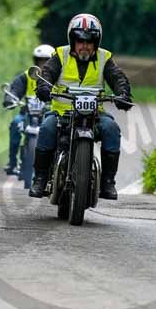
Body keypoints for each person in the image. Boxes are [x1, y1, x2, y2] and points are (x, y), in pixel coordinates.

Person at [29, 13, 133, 200]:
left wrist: (123, 94)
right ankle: (40, 178)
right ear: (72, 40)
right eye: (80, 41)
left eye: (89, 41)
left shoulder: (104, 58)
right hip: (63, 113)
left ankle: (108, 182)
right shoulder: (60, 55)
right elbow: (48, 73)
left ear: (96, 42)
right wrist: (43, 87)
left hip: (94, 114)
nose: (84, 45)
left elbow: (117, 78)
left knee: (111, 129)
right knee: (46, 128)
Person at [2, 44, 55, 175]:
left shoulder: (57, 77)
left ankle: (55, 164)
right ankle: (12, 163)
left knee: (57, 130)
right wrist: (10, 98)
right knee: (15, 124)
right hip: (27, 114)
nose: (43, 64)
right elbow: (15, 89)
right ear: (35, 61)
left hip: (48, 114)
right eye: (40, 61)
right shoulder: (26, 76)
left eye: (46, 61)